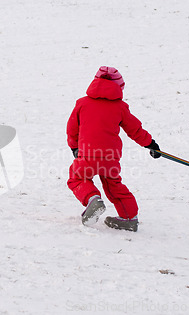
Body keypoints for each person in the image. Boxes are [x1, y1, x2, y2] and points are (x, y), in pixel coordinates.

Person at [66, 66, 160, 231]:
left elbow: (72, 128)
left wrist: (74, 147)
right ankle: (129, 218)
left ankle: (92, 199)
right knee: (114, 185)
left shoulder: (82, 103)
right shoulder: (120, 107)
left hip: (87, 154)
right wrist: (150, 144)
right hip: (110, 157)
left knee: (77, 177)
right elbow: (135, 129)